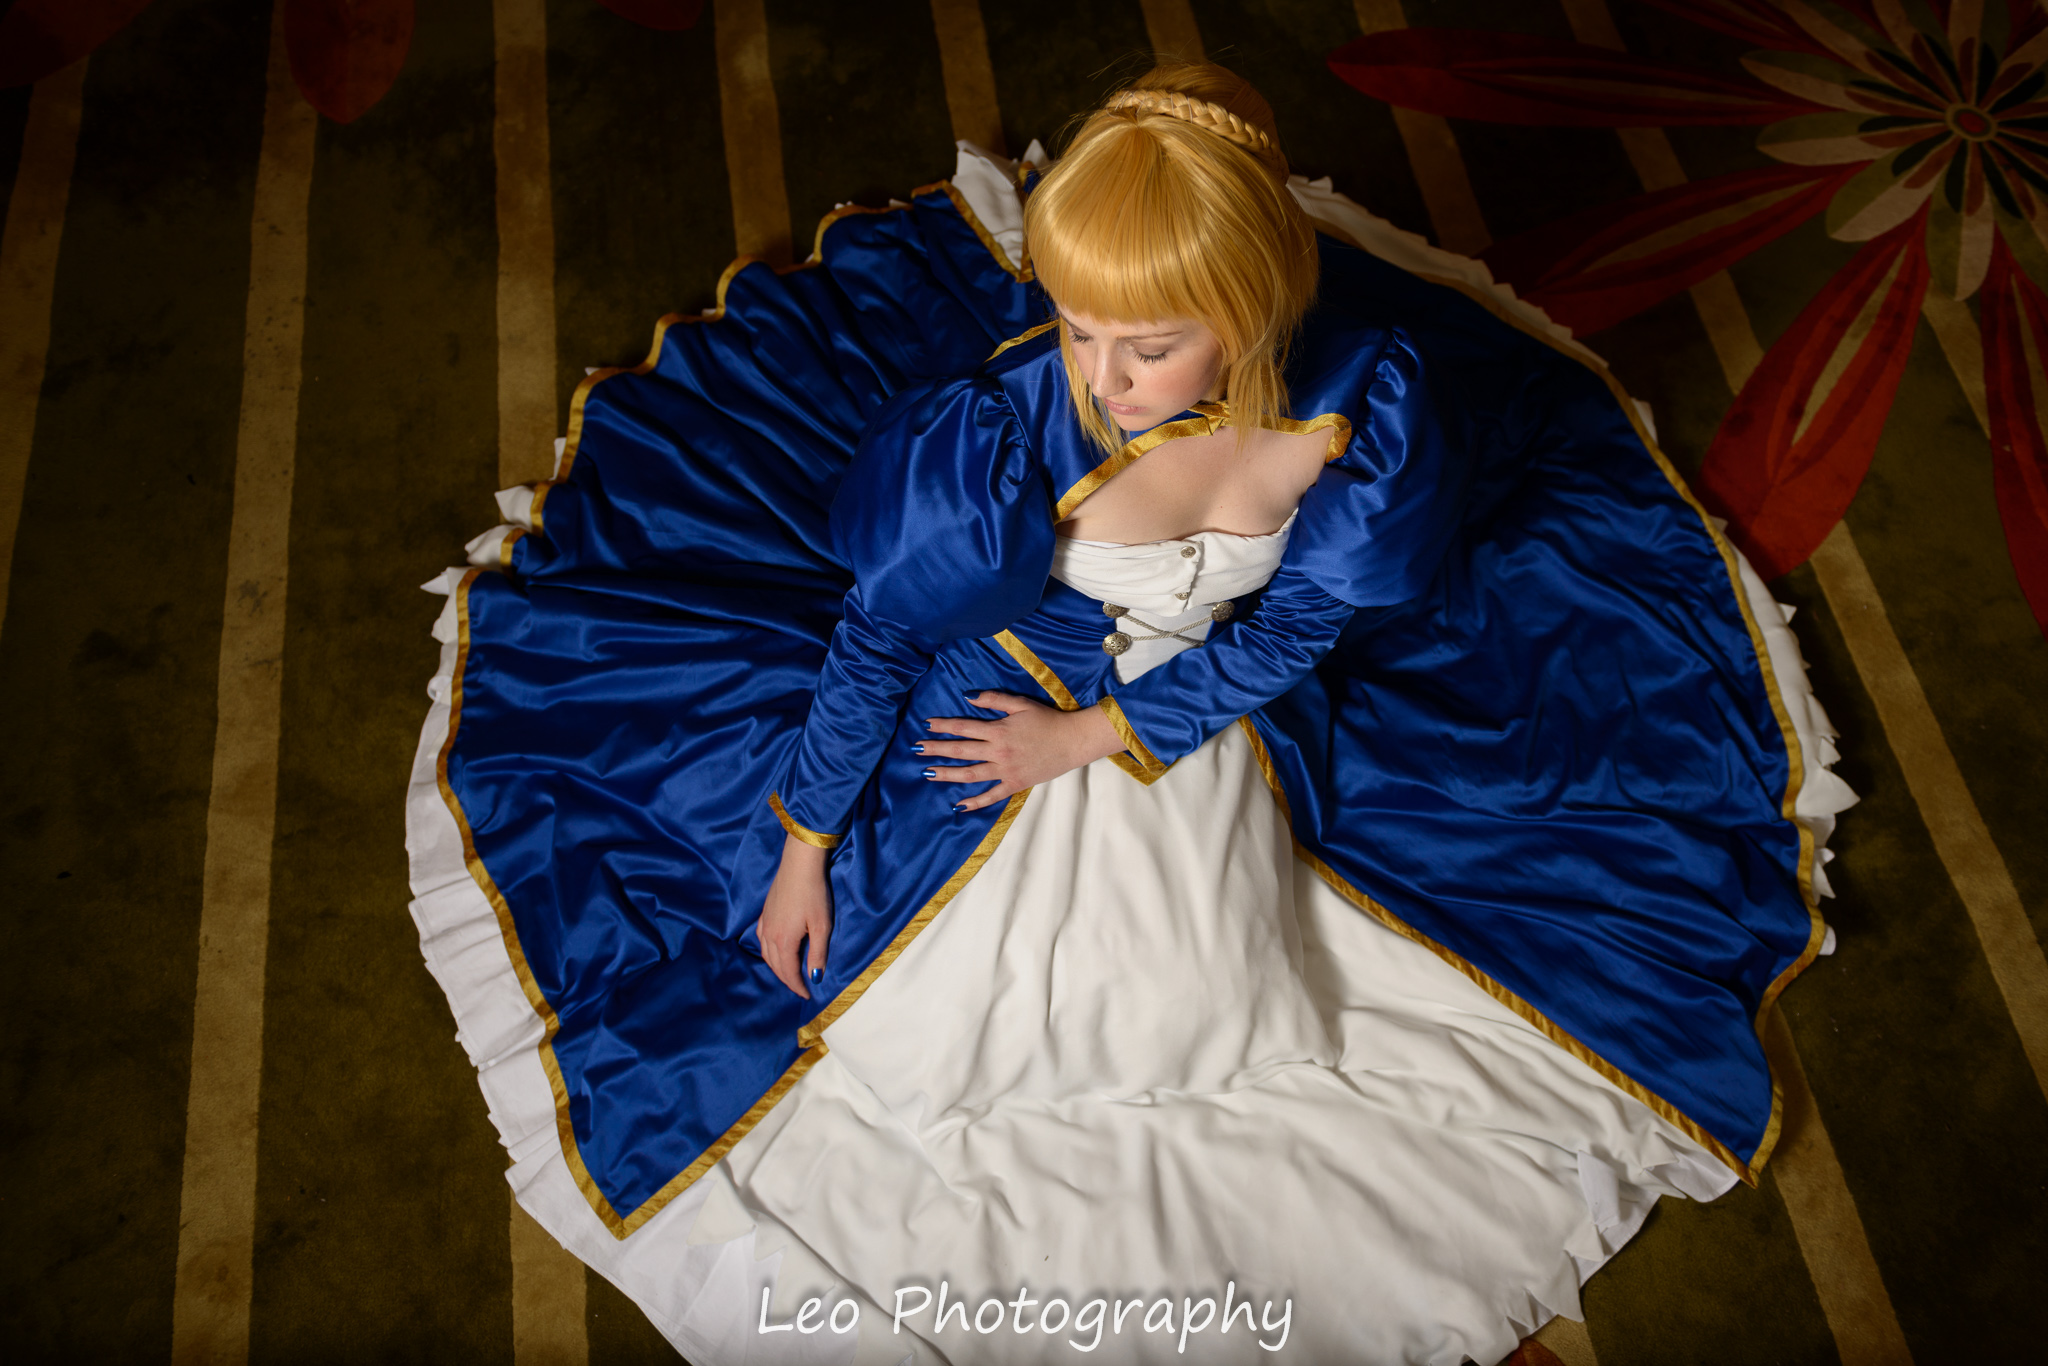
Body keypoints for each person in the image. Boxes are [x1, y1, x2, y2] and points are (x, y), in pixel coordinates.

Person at [409, 62, 1850, 1365]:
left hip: (1174, 718)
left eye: (1143, 345)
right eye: (1073, 323)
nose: (1097, 377)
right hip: (986, 708)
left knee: (1212, 1005)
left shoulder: (1366, 406)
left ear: (1250, 314)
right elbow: (876, 642)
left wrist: (1100, 737)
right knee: (920, 1044)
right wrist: (802, 844)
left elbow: (1295, 630)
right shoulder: (1006, 435)